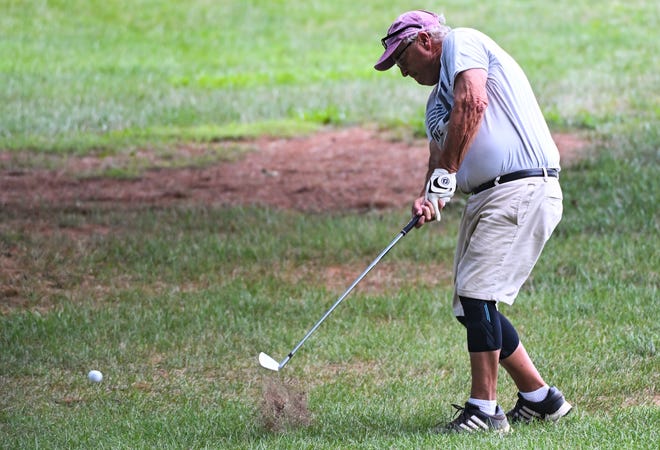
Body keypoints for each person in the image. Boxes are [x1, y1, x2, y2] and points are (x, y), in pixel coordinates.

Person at [374, 10, 572, 433]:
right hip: (484, 197)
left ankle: (484, 409)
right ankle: (541, 398)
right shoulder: (433, 104)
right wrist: (430, 195)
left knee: (477, 293)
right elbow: (439, 155)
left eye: (402, 59)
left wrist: (445, 175)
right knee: (470, 306)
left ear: (426, 41)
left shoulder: (462, 42)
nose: (402, 71)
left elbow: (473, 101)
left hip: (521, 186)